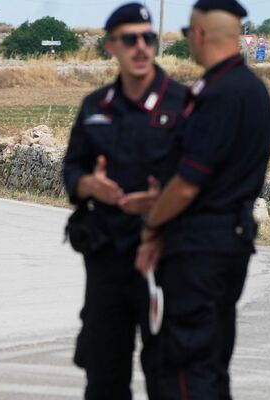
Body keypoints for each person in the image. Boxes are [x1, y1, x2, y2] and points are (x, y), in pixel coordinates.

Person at [135, 1, 270, 398]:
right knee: (210, 366)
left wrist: (151, 227)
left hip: (198, 252)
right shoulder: (253, 90)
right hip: (227, 242)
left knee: (184, 367)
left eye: (186, 34)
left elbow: (186, 184)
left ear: (198, 35)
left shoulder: (218, 94)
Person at [63, 3, 188, 399]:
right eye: (130, 39)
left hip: (165, 260)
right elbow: (71, 170)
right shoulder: (95, 107)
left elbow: (202, 178)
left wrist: (161, 200)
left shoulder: (183, 104)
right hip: (108, 259)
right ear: (110, 46)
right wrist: (89, 186)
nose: (141, 47)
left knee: (168, 376)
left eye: (148, 38)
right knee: (103, 377)